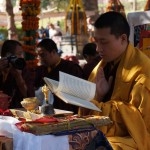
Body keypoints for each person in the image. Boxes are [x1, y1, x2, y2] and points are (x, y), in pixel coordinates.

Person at [79, 12, 150, 150]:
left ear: (123, 39)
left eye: (104, 42)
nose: (98, 49)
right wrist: (99, 96)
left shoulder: (142, 71)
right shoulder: (101, 68)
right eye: (96, 42)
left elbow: (141, 127)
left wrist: (101, 106)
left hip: (134, 140)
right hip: (101, 132)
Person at [35, 39, 84, 114]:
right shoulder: (41, 70)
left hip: (68, 113)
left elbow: (80, 93)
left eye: (43, 55)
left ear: (53, 52)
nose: (40, 59)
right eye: (38, 56)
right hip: (46, 113)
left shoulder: (71, 68)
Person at [0, 40, 35, 108]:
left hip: (18, 110)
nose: (22, 57)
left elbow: (29, 97)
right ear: (8, 55)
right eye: (19, 54)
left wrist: (18, 76)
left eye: (22, 54)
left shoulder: (23, 69)